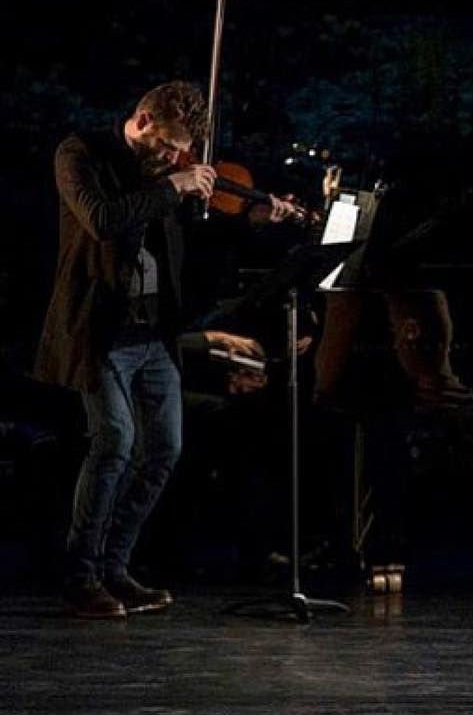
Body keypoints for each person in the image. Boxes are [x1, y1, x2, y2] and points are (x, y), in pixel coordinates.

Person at [35, 80, 287, 617]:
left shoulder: (163, 176)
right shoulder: (81, 153)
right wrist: (172, 185)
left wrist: (251, 220)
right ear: (144, 121)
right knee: (114, 442)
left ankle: (115, 567)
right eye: (168, 145)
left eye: (181, 151)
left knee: (164, 448)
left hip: (155, 333)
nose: (174, 157)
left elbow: (189, 242)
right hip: (100, 330)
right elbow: (102, 220)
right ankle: (80, 575)